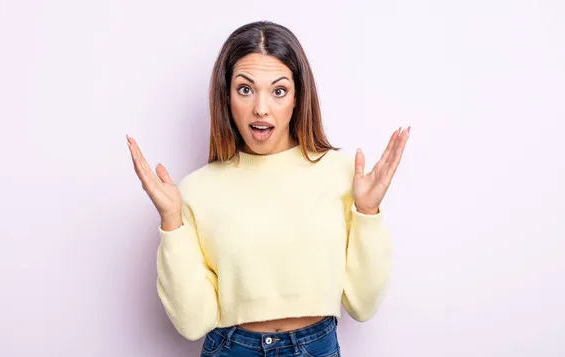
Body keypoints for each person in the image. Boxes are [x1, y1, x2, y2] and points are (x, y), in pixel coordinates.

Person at [127, 20, 410, 357]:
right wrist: (172, 221)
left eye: (278, 91)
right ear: (226, 97)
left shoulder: (344, 174)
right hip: (231, 347)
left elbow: (363, 305)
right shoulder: (196, 190)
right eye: (245, 89)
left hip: (316, 347)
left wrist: (367, 213)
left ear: (297, 98)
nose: (261, 107)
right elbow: (192, 323)